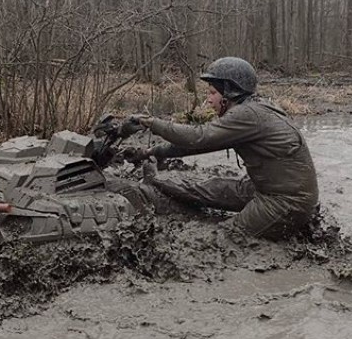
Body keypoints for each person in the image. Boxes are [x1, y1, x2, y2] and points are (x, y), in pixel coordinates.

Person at [123, 57, 319, 240]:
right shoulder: (251, 110)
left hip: (286, 202)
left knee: (226, 237)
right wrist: (152, 152)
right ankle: (156, 184)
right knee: (209, 188)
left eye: (212, 93)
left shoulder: (247, 115)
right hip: (265, 188)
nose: (208, 100)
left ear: (229, 92)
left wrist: (150, 122)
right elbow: (197, 145)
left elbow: (197, 137)